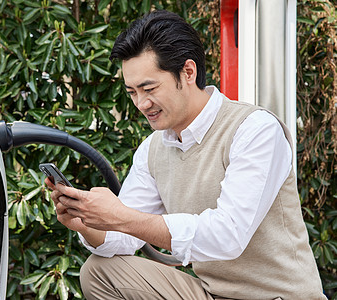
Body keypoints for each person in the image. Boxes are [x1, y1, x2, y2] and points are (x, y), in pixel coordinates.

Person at [45, 10, 326, 300]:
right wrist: (88, 225)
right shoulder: (153, 149)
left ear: (188, 72)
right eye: (132, 92)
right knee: (99, 272)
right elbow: (122, 236)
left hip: (278, 297)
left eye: (149, 88)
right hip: (211, 294)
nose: (142, 103)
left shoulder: (254, 130)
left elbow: (227, 235)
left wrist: (121, 217)